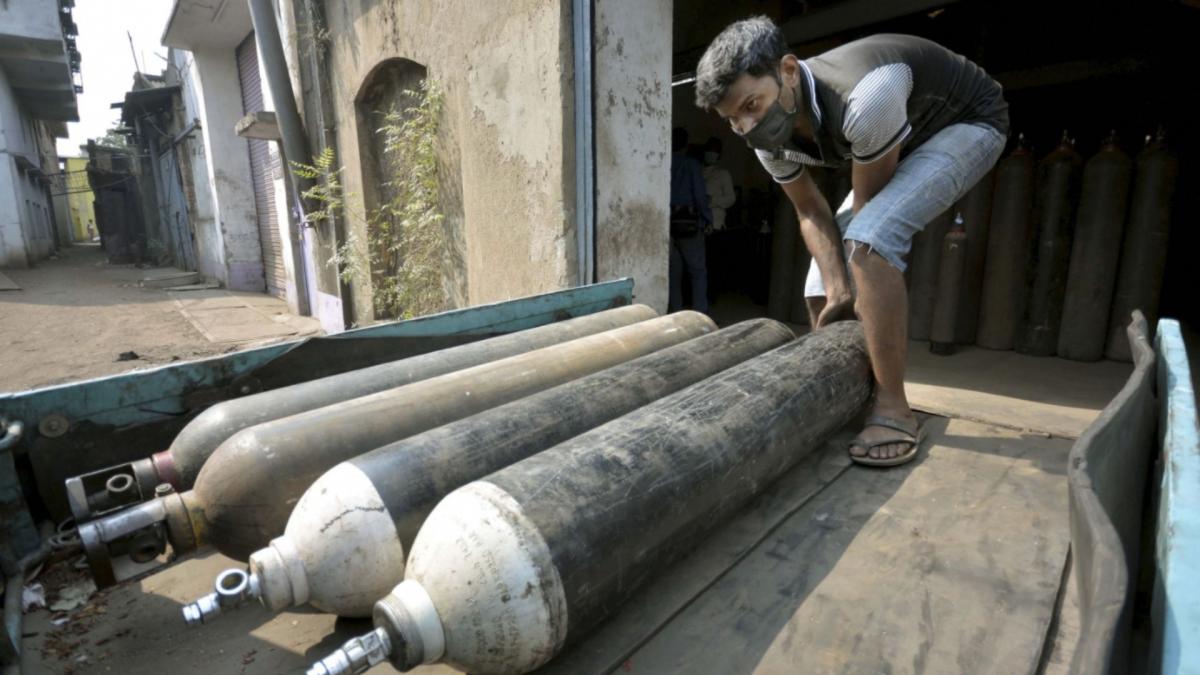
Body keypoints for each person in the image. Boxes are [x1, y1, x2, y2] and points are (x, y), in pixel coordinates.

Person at [694, 18, 1008, 466]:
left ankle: (895, 407)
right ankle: (844, 389)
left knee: (870, 241)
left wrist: (858, 290)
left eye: (751, 105)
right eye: (733, 120)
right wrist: (839, 292)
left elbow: (868, 217)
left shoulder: (865, 97)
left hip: (966, 124)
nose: (745, 126)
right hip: (902, 132)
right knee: (819, 285)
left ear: (786, 70)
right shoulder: (765, 139)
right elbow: (810, 212)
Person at [669, 127, 712, 314]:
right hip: (689, 223)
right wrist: (707, 218)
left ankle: (675, 312)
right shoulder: (691, 165)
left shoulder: (664, 162)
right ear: (686, 144)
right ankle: (700, 314)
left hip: (668, 223)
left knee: (674, 273)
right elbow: (700, 197)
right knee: (698, 273)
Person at [702, 137, 736, 232]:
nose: (711, 153)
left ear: (719, 155)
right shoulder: (697, 171)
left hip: (715, 225)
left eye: (715, 151)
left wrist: (712, 200)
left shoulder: (723, 174)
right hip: (698, 225)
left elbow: (731, 198)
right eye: (709, 149)